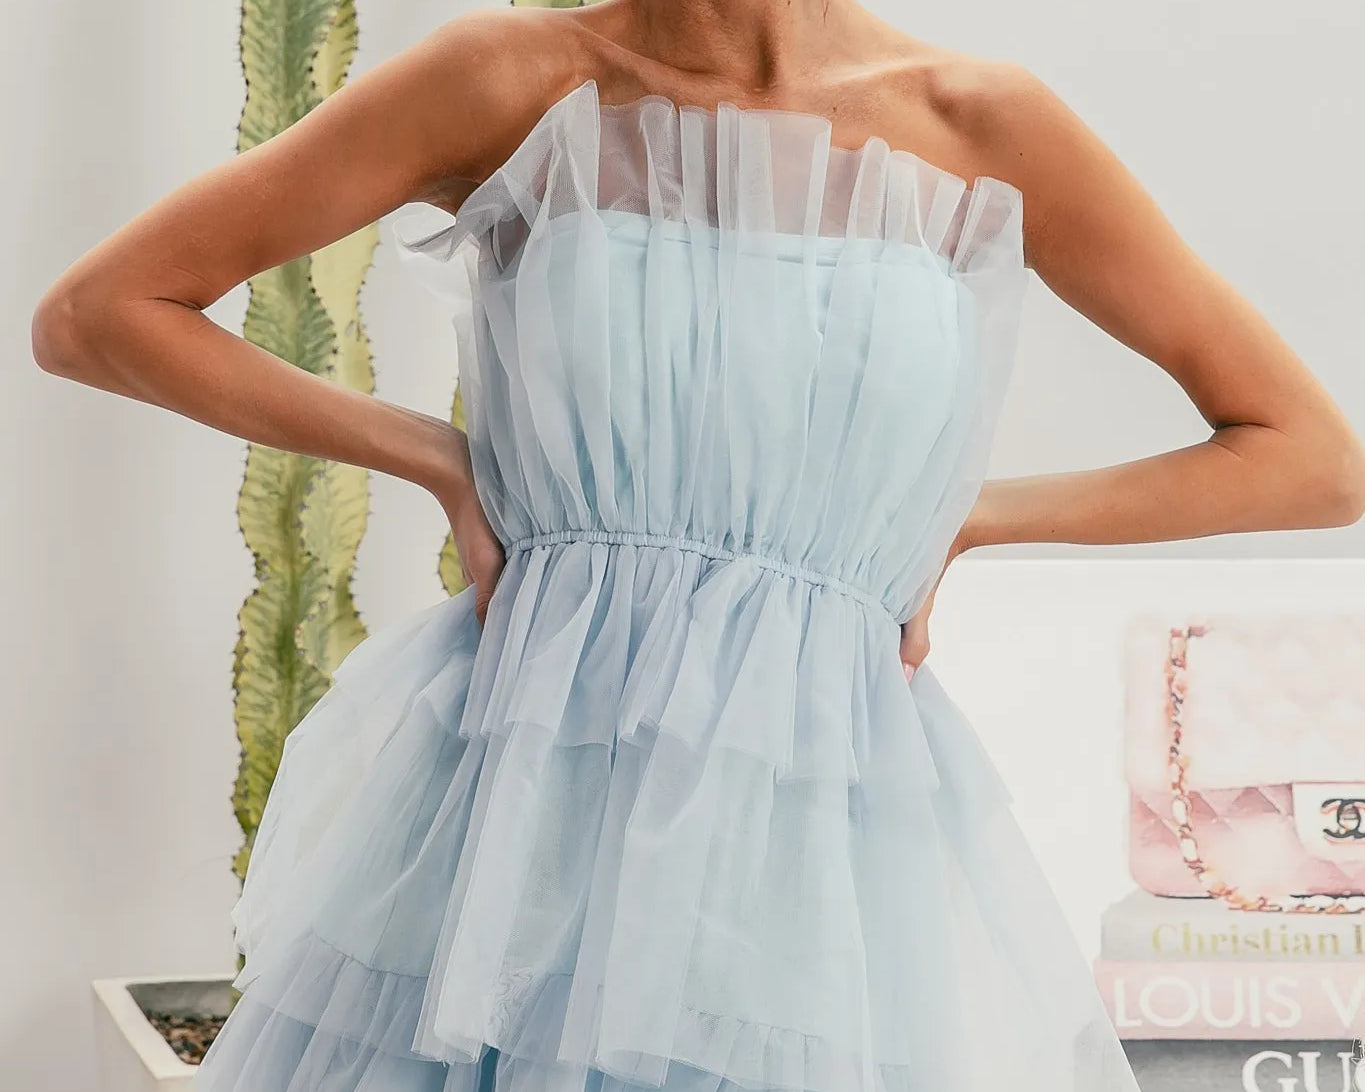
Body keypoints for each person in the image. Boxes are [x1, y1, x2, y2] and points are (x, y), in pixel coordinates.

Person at [31, 1, 1365, 1090]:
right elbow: (100, 313)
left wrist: (959, 518)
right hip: (524, 791)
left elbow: (1307, 458)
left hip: (813, 812)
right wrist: (435, 457)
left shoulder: (980, 120)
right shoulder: (507, 75)